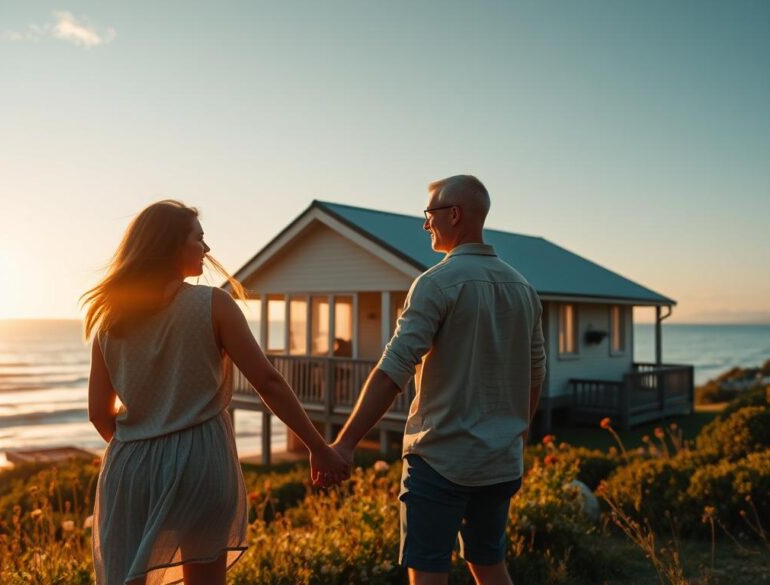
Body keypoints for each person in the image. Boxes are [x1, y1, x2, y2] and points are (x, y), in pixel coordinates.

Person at [82, 200, 348, 585]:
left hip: (131, 466)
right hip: (200, 459)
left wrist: (145, 445)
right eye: (199, 239)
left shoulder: (109, 318)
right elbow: (268, 383)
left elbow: (98, 412)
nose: (206, 249)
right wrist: (318, 447)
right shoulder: (212, 304)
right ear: (171, 245)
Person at [330, 176, 547, 585]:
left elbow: (393, 369)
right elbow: (536, 373)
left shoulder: (436, 284)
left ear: (454, 214)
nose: (425, 224)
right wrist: (517, 434)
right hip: (501, 463)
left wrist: (345, 442)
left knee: (428, 573)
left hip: (440, 460)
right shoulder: (523, 288)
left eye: (429, 214)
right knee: (489, 563)